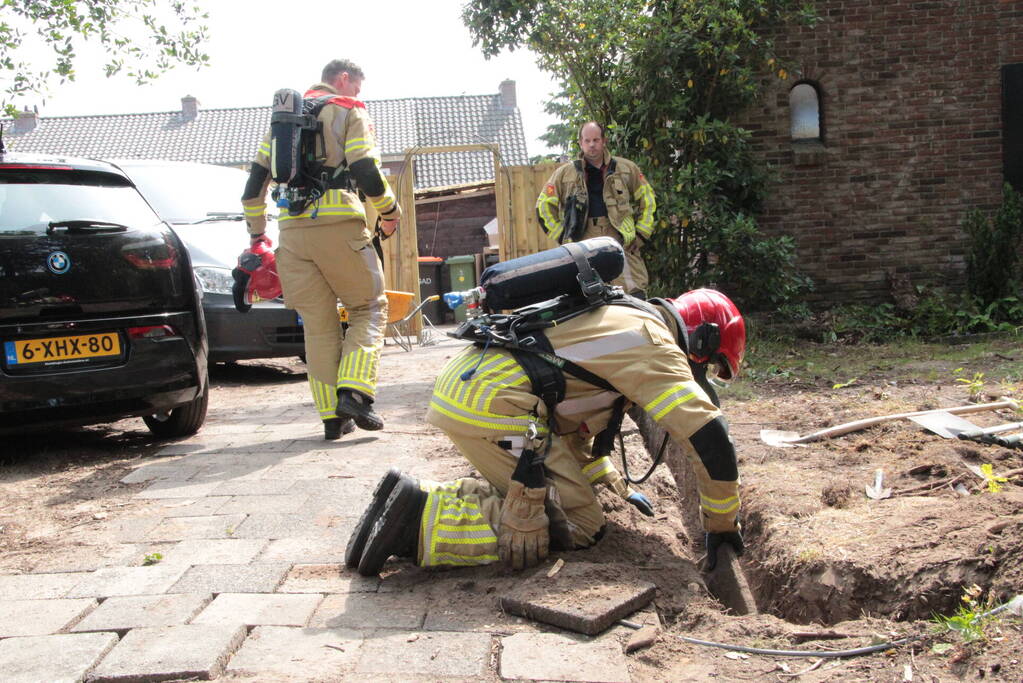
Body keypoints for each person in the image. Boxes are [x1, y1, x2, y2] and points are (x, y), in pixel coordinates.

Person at [345, 285, 746, 577]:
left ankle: (413, 497)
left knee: (548, 490)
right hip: (498, 412)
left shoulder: (624, 313)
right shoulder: (652, 344)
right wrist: (722, 525)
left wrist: (612, 484)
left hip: (477, 394)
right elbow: (710, 438)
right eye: (709, 366)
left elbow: (575, 428)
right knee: (576, 524)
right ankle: (417, 520)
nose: (703, 376)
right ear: (701, 341)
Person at [241, 59, 400, 440]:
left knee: (318, 325)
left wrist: (257, 236)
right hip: (339, 229)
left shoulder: (282, 123)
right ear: (343, 80)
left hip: (292, 235)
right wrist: (389, 211)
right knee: (369, 307)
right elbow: (364, 168)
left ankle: (332, 417)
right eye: (357, 87)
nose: (359, 95)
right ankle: (356, 394)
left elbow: (252, 189)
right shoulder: (348, 110)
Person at [535, 122, 657, 297]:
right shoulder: (565, 174)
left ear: (604, 141)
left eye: (596, 140)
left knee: (632, 292)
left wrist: (640, 236)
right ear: (580, 143)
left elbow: (649, 200)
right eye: (587, 140)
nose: (592, 144)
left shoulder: (626, 169)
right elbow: (543, 206)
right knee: (587, 295)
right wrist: (562, 236)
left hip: (620, 238)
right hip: (582, 239)